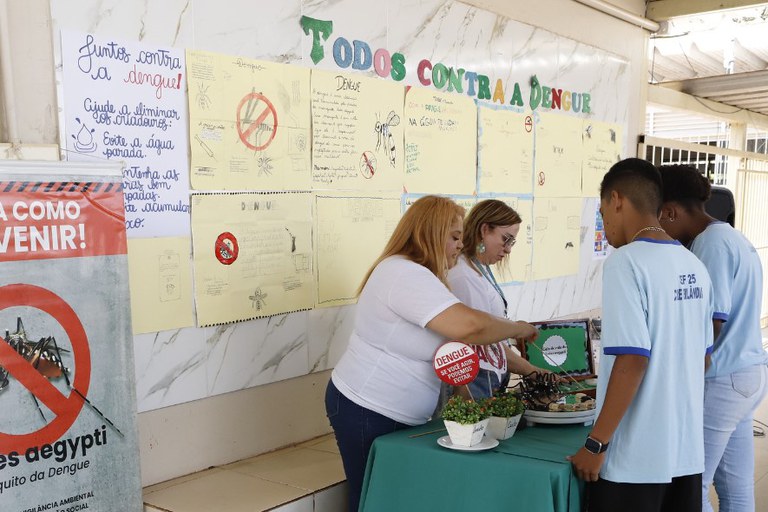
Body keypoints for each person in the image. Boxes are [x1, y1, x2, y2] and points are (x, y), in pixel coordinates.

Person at [325, 195, 539, 512]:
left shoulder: (425, 278)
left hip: (399, 413)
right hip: (368, 407)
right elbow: (470, 327)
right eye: (454, 237)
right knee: (373, 497)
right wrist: (518, 328)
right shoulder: (403, 274)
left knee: (394, 497)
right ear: (431, 233)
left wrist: (464, 393)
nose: (459, 244)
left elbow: (447, 348)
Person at [569, 158, 714, 512]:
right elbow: (704, 359)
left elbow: (633, 358)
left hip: (635, 461)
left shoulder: (626, 262)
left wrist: (596, 444)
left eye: (602, 212)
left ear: (616, 199)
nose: (604, 224)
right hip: (685, 455)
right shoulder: (694, 265)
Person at [658, 164, 768, 512]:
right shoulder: (732, 236)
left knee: (692, 485)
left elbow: (711, 323)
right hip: (747, 374)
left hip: (722, 380)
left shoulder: (711, 244)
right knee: (735, 489)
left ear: (670, 211)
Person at [446, 199, 549, 399]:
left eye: (512, 242)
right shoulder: (464, 275)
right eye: (506, 239)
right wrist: (531, 370)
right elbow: (483, 336)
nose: (508, 249)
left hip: (488, 376)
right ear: (485, 230)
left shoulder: (478, 268)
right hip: (474, 381)